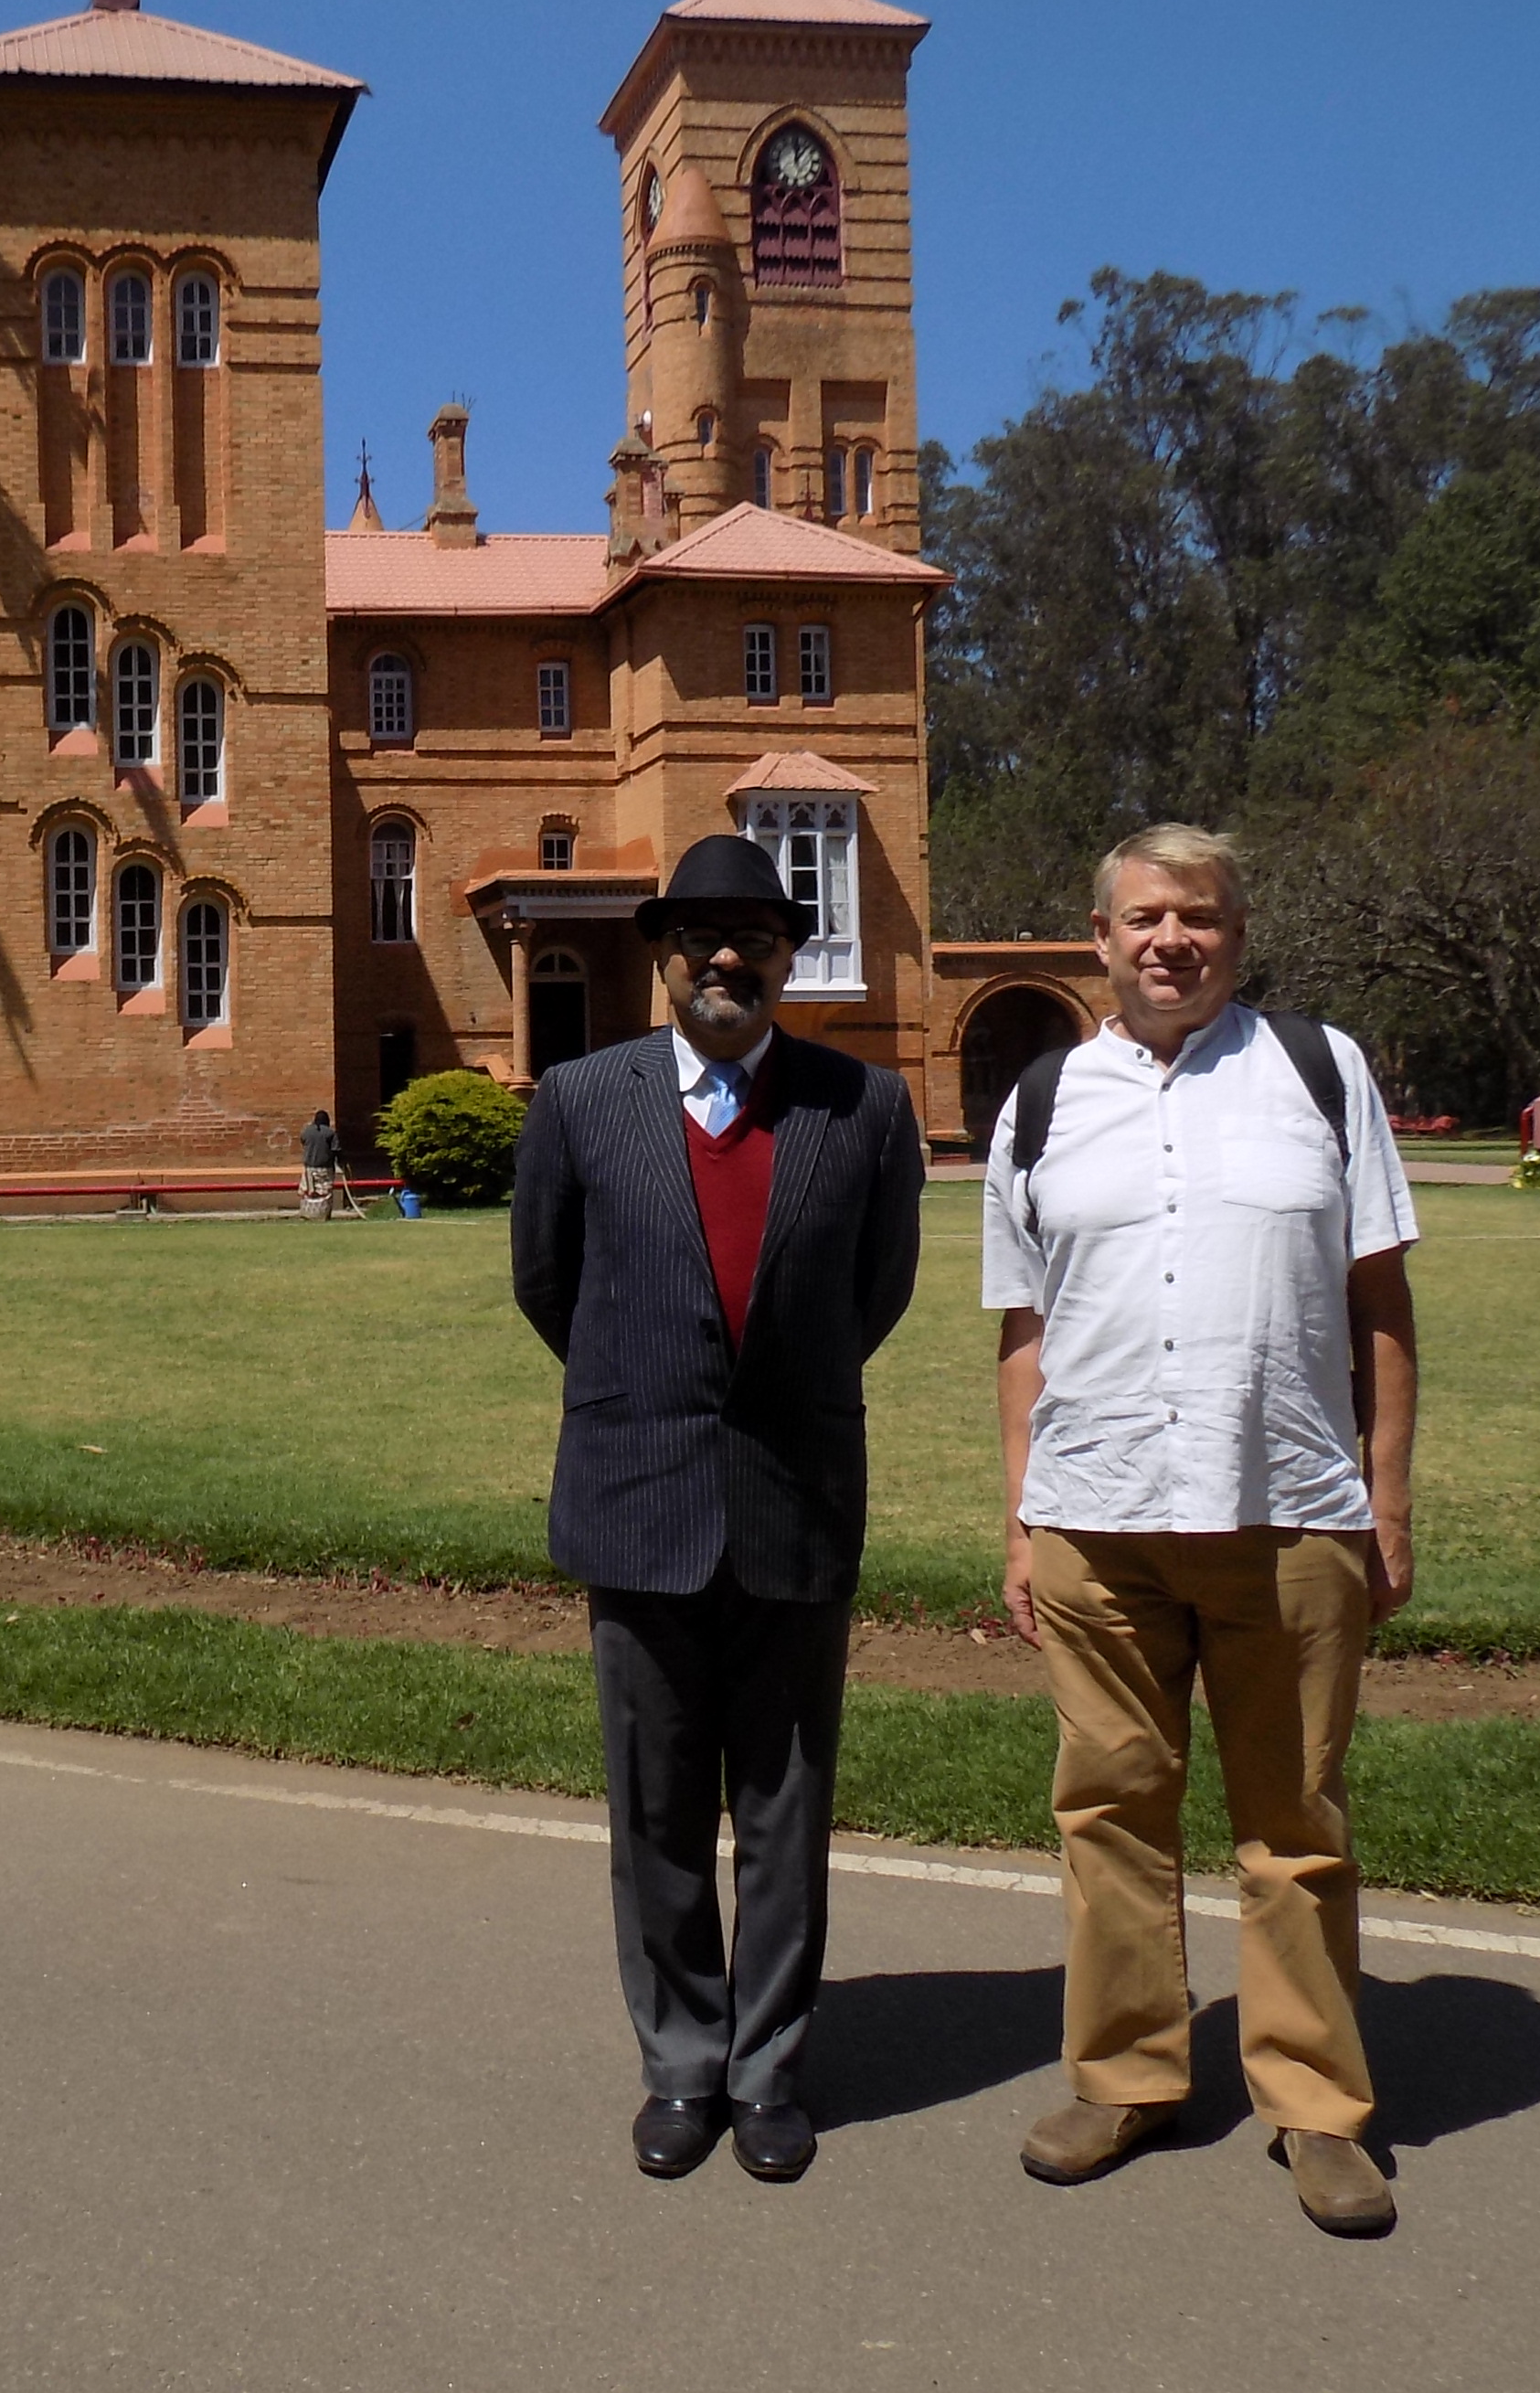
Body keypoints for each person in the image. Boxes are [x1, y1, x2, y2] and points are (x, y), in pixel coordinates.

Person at [982, 823, 1420, 2238]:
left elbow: (1380, 1304)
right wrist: (1017, 1516)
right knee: (1110, 1809)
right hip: (1097, 1521)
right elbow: (1024, 1328)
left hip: (1288, 1509)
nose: (1172, 939)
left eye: (1202, 917)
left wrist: (1389, 1500)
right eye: (1145, 918)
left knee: (1294, 1825)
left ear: (1239, 934)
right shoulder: (1043, 1098)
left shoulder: (1318, 1070)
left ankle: (1314, 2106)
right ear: (1098, 940)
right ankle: (1124, 2075)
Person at [512, 834, 925, 2184]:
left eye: (754, 933)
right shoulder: (579, 1100)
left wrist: (768, 1393)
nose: (725, 957)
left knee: (788, 1808)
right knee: (656, 1809)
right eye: (697, 936)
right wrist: (654, 1390)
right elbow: (550, 1287)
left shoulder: (860, 1108)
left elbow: (876, 1293)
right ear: (662, 954)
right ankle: (682, 2066)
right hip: (639, 1500)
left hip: (795, 1498)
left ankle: (769, 2072)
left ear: (790, 955)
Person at [299, 1108, 342, 1218]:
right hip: (325, 1168)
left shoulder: (306, 1132)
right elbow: (336, 1150)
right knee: (324, 1193)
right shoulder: (330, 1133)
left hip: (308, 1168)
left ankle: (308, 1214)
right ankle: (323, 1214)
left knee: (308, 1192)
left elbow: (303, 1142)